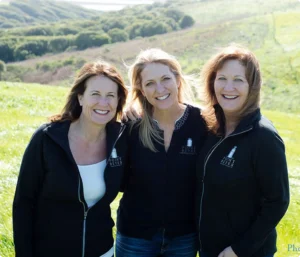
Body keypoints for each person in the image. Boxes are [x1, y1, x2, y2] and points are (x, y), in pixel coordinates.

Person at [13, 60, 128, 257]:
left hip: (101, 250)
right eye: (95, 94)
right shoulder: (47, 138)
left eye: (111, 96)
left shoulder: (121, 139)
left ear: (118, 101)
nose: (103, 103)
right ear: (80, 97)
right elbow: (23, 203)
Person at [196, 45, 290, 257]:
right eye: (222, 78)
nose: (228, 87)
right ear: (212, 82)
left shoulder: (264, 137)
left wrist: (239, 249)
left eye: (238, 80)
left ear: (252, 86)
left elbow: (278, 202)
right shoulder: (212, 128)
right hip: (209, 249)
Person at [116, 48, 208, 257]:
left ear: (177, 79)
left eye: (165, 78)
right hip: (135, 236)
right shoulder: (132, 125)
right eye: (150, 83)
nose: (159, 89)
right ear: (141, 89)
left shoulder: (203, 122)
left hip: (184, 236)